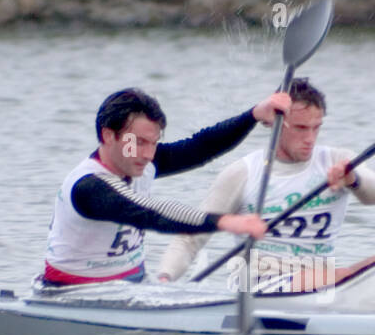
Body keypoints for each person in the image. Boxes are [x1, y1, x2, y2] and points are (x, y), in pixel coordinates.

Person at [40, 87, 290, 287]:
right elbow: (150, 212)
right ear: (108, 136)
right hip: (71, 293)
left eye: (154, 143)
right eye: (139, 142)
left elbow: (199, 147)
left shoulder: (137, 158)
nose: (149, 154)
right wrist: (224, 221)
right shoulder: (89, 187)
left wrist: (254, 115)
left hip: (131, 287)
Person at [156, 78, 375, 290]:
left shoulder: (337, 161)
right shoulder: (244, 172)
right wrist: (164, 280)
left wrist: (353, 180)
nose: (310, 138)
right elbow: (190, 237)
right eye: (300, 128)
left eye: (316, 127)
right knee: (349, 277)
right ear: (276, 124)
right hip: (259, 285)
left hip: (323, 280)